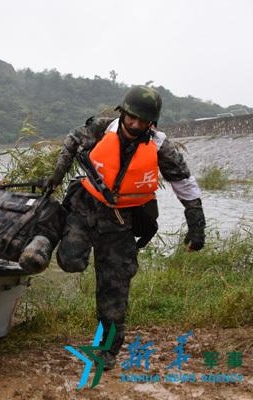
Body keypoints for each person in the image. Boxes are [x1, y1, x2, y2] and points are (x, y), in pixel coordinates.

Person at [45, 86, 206, 370]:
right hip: (84, 211)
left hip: (120, 224)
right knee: (70, 261)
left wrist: (196, 228)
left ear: (152, 122)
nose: (134, 124)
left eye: (142, 120)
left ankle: (107, 351)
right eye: (131, 117)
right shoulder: (100, 128)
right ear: (123, 113)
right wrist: (56, 177)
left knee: (114, 289)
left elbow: (185, 185)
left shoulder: (160, 147)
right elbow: (71, 141)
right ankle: (52, 227)